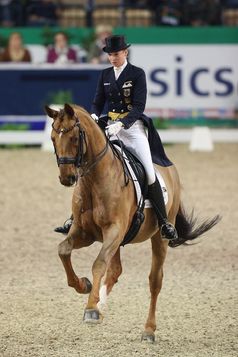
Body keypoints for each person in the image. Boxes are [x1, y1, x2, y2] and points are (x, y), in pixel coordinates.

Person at [55, 35, 177, 241]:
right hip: (109, 126)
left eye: (116, 54)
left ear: (125, 53)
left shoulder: (137, 74)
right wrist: (94, 116)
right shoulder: (105, 75)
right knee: (88, 166)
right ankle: (74, 218)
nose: (113, 58)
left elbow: (139, 106)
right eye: (110, 55)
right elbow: (97, 102)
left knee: (148, 171)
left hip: (132, 129)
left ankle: (164, 222)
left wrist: (122, 124)